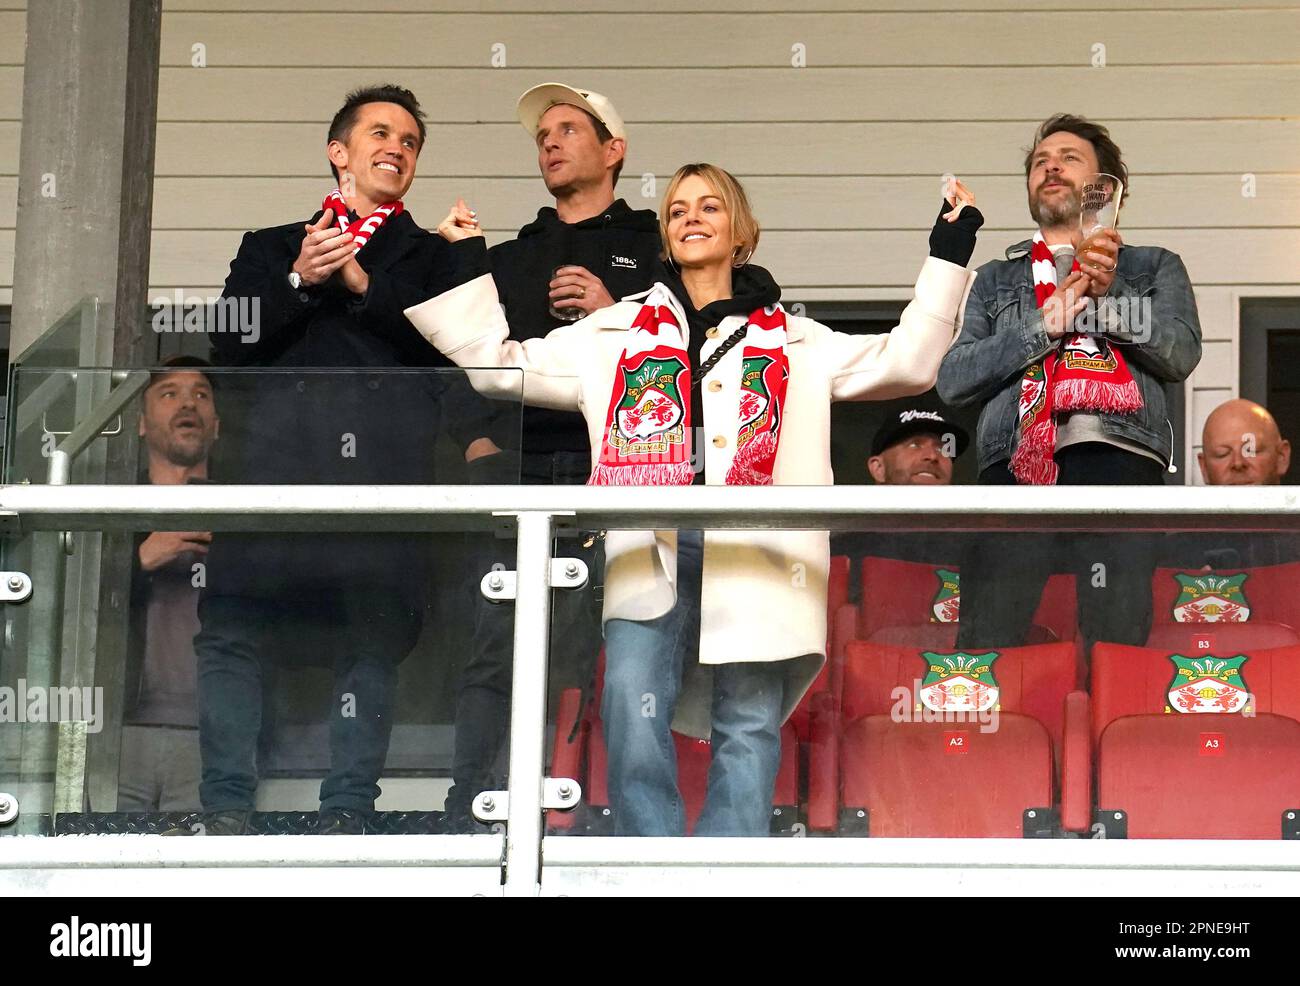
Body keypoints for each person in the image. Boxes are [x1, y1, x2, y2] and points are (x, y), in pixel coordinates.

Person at [407, 163, 982, 836]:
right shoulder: (614, 332)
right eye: (678, 209)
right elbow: (500, 365)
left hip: (760, 542)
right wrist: (461, 262)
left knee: (748, 715)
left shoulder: (795, 339)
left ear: (739, 231)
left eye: (709, 206)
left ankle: (726, 871)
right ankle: (649, 865)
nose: (691, 217)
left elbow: (908, 363)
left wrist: (948, 255)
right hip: (653, 533)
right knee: (628, 698)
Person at [182, 85, 486, 836]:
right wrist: (297, 280)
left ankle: (348, 807)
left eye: (412, 141)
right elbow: (228, 342)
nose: (398, 147)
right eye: (380, 132)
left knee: (369, 640)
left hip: (382, 488)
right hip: (269, 483)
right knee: (229, 629)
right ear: (338, 151)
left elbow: (458, 355)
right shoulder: (272, 243)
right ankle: (224, 806)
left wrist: (360, 283)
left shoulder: (431, 257)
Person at [442, 85, 661, 832]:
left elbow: (694, 354)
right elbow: (456, 352)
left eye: (569, 129)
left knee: (612, 649)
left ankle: (587, 812)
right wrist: (478, 446)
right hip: (520, 468)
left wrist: (616, 310)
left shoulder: (660, 248)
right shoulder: (510, 256)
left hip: (623, 475)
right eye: (543, 134)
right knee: (495, 648)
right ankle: (472, 810)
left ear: (615, 149)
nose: (551, 143)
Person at [936, 114, 1202, 650]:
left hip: (1120, 460)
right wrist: (1041, 327)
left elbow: (1180, 353)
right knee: (990, 638)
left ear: (1106, 188)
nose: (1050, 165)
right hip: (1015, 467)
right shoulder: (994, 277)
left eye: (1069, 158)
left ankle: (1107, 730)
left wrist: (1108, 299)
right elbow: (954, 381)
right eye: (1039, 162)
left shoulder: (1151, 265)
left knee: (1117, 639)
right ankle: (995, 734)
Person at [118, 357, 219, 812]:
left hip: (215, 735)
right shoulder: (109, 507)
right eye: (169, 393)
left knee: (188, 882)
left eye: (201, 394)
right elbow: (67, 608)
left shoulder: (243, 506)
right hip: (115, 731)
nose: (187, 404)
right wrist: (139, 560)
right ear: (140, 424)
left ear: (216, 426)